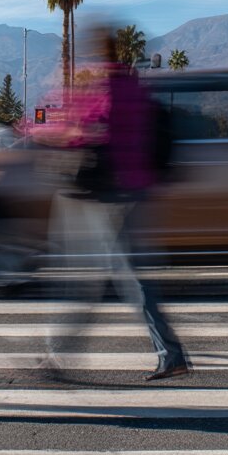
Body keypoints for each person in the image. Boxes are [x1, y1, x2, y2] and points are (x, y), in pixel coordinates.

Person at [38, 26, 190, 381]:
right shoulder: (135, 87)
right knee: (129, 282)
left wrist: (39, 132)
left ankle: (58, 360)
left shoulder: (106, 90)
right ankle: (171, 355)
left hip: (111, 199)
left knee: (93, 282)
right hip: (135, 194)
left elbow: (87, 133)